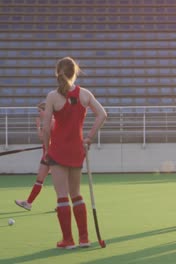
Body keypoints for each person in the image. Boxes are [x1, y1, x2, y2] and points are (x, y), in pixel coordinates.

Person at [43, 57, 107, 249]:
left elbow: (46, 128)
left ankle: (68, 240)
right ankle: (84, 239)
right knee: (76, 194)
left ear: (57, 73)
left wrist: (47, 149)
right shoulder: (85, 94)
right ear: (75, 72)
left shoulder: (52, 97)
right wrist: (88, 137)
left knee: (62, 196)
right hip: (77, 150)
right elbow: (103, 114)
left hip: (58, 151)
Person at [15, 101, 52, 211]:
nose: (39, 113)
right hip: (47, 156)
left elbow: (49, 139)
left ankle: (63, 205)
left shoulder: (52, 122)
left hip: (53, 157)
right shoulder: (46, 122)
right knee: (39, 179)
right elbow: (42, 137)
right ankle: (28, 203)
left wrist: (48, 150)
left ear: (46, 111)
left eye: (39, 111)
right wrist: (38, 126)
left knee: (59, 183)